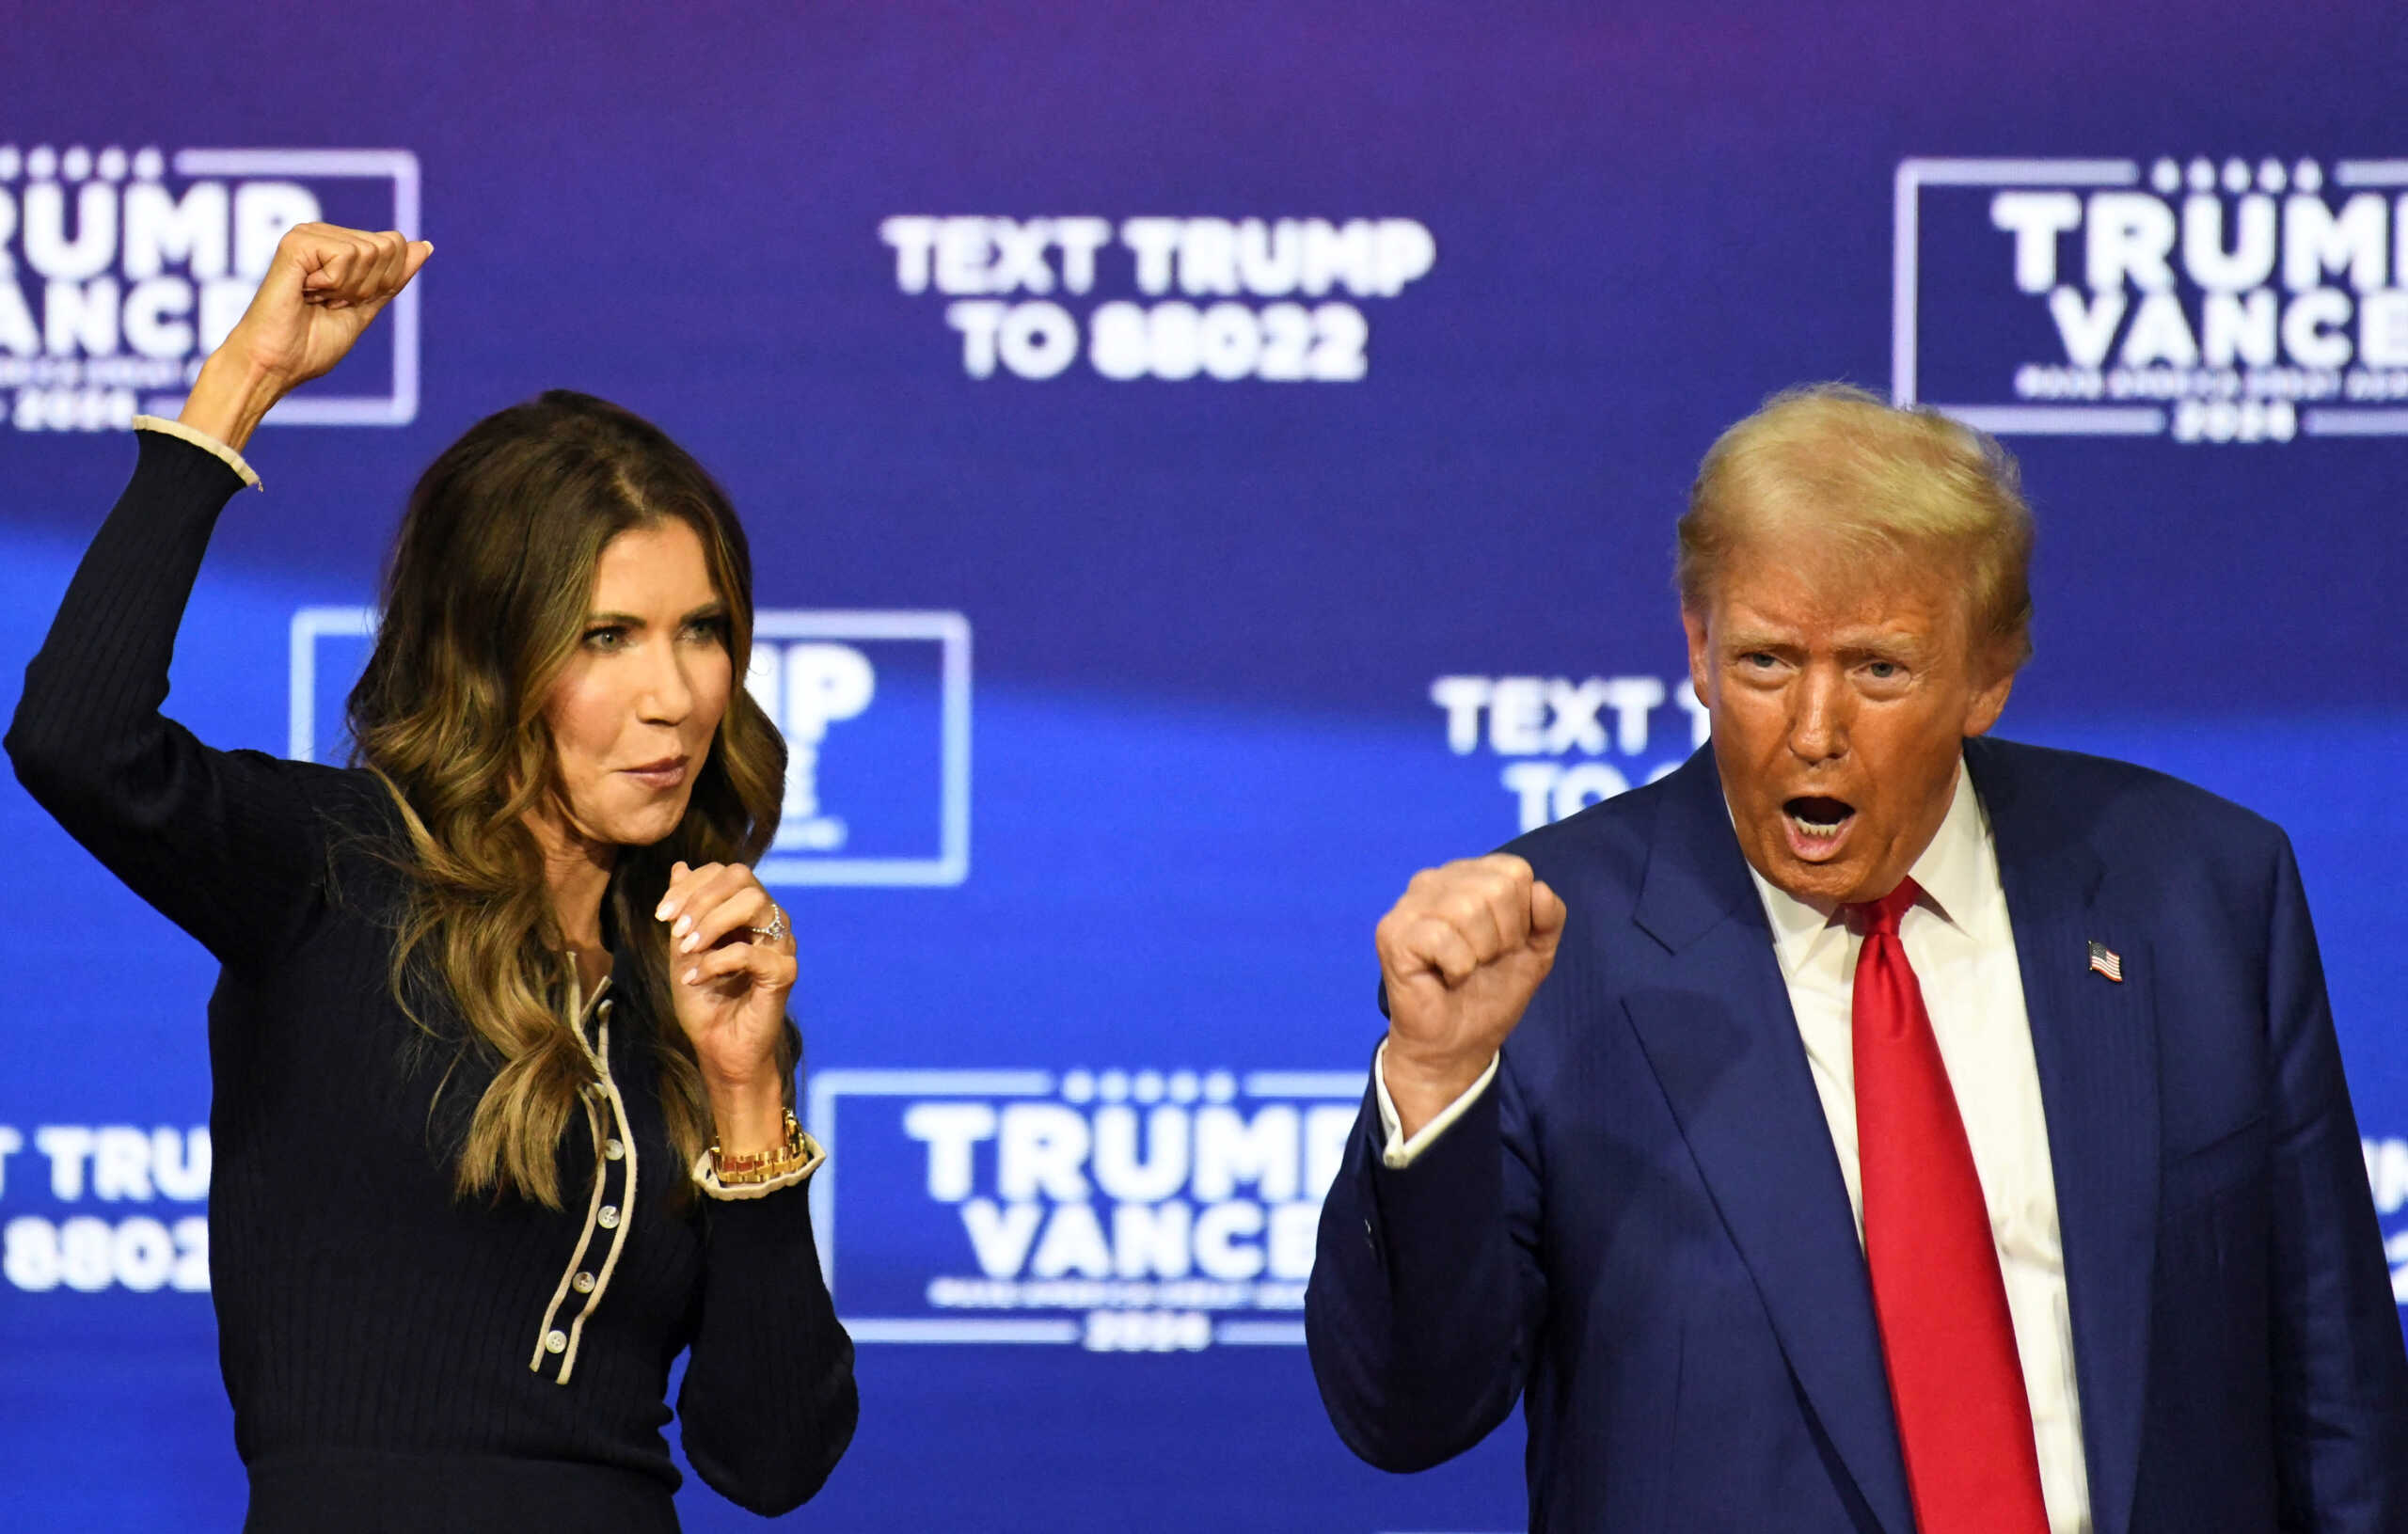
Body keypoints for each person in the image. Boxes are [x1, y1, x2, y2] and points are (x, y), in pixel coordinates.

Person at [1305, 385, 2408, 1534]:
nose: (1814, 727)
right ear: (1694, 645)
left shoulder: (2200, 893)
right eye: (1766, 661)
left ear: (1989, 673)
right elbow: (1405, 1413)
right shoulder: (1548, 954)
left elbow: (2340, 1409)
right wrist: (1434, 1081)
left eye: (1878, 669)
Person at [7, 225, 856, 1532]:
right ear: (491, 654)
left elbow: (772, 1455)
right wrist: (240, 382)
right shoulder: (333, 872)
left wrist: (749, 1099)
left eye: (703, 632)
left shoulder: (689, 969)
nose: (676, 694)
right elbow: (75, 735)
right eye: (608, 636)